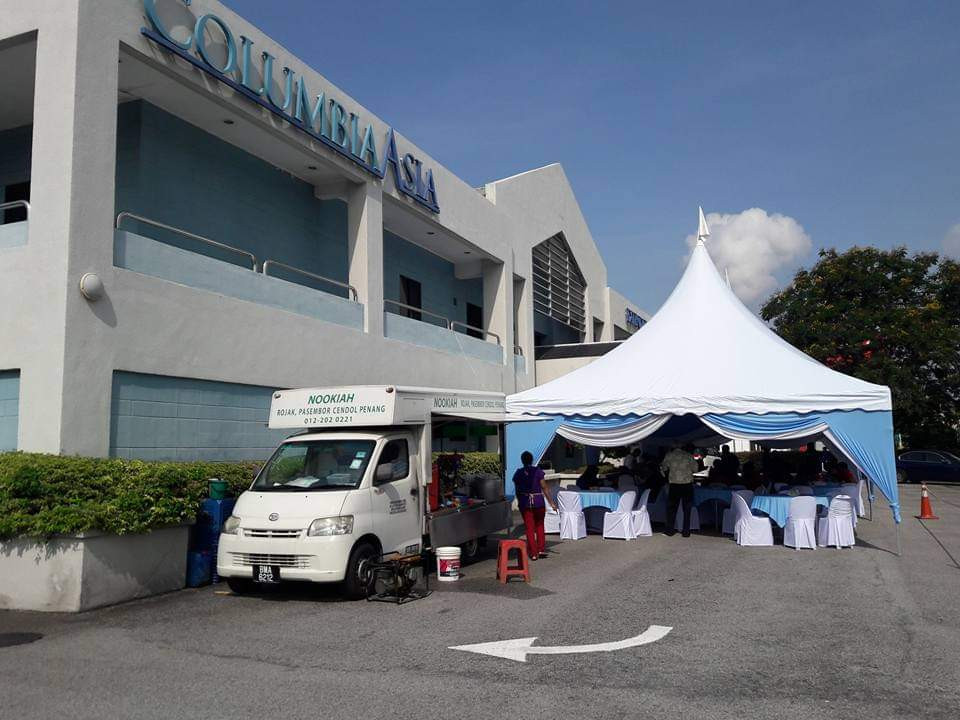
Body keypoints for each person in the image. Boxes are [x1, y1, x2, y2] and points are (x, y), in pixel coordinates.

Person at [512, 451, 557, 560]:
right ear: (532, 460)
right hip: (538, 501)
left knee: (529, 528)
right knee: (540, 525)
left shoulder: (518, 472)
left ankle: (533, 553)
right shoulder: (538, 471)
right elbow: (544, 487)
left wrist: (519, 501)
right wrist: (551, 502)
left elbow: (517, 489)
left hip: (525, 502)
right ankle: (541, 549)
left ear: (522, 461)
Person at [660, 443, 698, 537]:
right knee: (687, 508)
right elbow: (695, 469)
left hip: (674, 484)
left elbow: (663, 468)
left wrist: (667, 473)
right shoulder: (688, 455)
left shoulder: (669, 455)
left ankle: (670, 530)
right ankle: (686, 532)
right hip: (687, 484)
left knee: (672, 508)